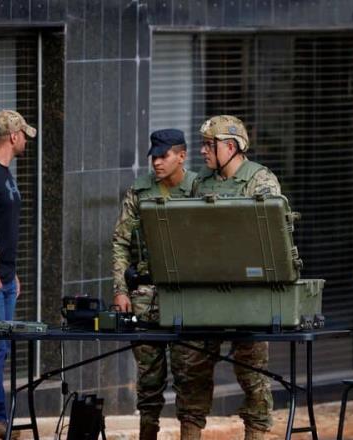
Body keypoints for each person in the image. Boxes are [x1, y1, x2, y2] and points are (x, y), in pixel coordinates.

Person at [178, 115, 280, 440]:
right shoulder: (200, 183)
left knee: (253, 378)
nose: (203, 152)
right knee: (192, 373)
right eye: (204, 144)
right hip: (207, 293)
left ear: (232, 147)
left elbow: (274, 238)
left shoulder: (261, 182)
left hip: (248, 295)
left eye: (210, 145)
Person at [111, 129, 198, 440]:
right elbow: (121, 243)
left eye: (164, 156)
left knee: (190, 376)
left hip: (189, 298)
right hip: (145, 297)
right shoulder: (139, 191)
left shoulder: (199, 190)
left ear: (182, 156)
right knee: (149, 377)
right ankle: (148, 431)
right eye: (155, 157)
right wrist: (121, 290)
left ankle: (190, 434)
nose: (158, 163)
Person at [0, 110, 35, 439]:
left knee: (2, 347)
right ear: (13, 137)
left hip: (7, 278)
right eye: (23, 134)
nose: (26, 140)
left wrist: (12, 273)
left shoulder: (5, 174)